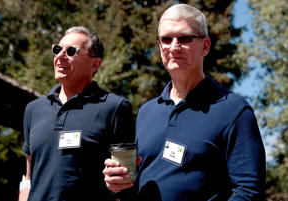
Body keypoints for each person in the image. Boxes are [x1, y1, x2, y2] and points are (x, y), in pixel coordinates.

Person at [103, 4, 266, 201]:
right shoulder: (147, 111)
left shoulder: (234, 110)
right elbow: (133, 189)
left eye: (184, 38)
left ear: (205, 46)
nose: (173, 47)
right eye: (166, 39)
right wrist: (118, 185)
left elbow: (248, 192)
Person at [18, 26, 135, 201]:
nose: (60, 56)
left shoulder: (115, 108)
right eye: (57, 50)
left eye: (71, 51)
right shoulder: (34, 110)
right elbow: (29, 176)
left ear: (95, 64)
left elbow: (125, 183)